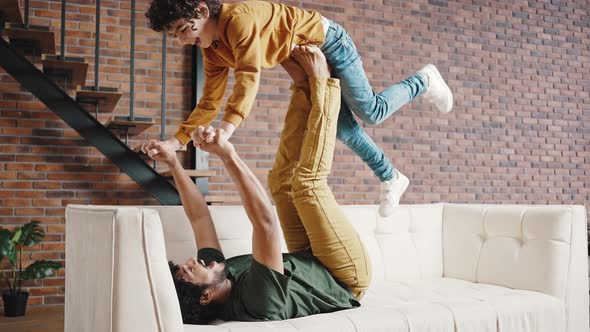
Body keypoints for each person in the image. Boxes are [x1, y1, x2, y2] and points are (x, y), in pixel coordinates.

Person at [142, 0, 454, 218]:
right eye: (175, 35)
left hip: (330, 43)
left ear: (201, 10)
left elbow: (249, 75)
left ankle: (423, 80)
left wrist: (227, 127)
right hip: (307, 64)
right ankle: (391, 176)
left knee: (370, 112)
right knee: (343, 129)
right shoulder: (213, 51)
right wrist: (175, 142)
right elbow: (210, 100)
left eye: (184, 29)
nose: (182, 41)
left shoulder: (239, 20)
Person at [146, 46, 371, 324]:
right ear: (205, 297)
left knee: (280, 183)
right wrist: (228, 155)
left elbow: (199, 217)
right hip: (343, 276)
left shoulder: (218, 275)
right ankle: (323, 83)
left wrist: (173, 163)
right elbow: (264, 221)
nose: (193, 260)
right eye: (190, 270)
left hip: (307, 260)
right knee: (307, 184)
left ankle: (303, 86)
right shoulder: (257, 301)